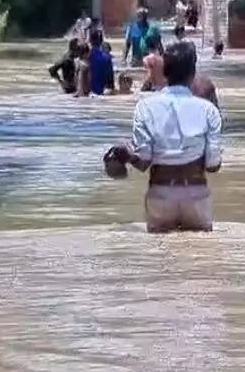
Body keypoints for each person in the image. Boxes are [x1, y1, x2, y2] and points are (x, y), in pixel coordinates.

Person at [108, 41, 223, 233]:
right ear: (192, 73)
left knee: (160, 257)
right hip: (196, 194)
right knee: (200, 256)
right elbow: (213, 166)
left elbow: (143, 162)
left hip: (161, 194)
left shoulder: (145, 107)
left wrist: (126, 154)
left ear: (165, 72)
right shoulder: (209, 111)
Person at [86, 29, 114, 97]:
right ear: (101, 41)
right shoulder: (107, 57)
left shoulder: (86, 56)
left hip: (88, 93)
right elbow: (110, 80)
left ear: (90, 40)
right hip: (103, 93)